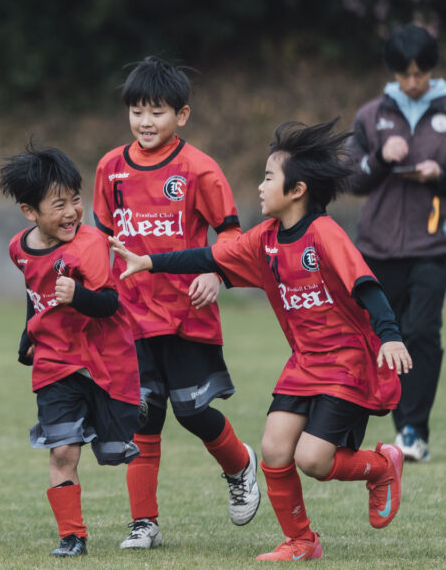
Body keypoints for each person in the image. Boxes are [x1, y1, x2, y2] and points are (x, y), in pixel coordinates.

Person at [110, 118, 411, 561]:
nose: (260, 186)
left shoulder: (324, 233)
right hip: (304, 362)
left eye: (269, 177)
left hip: (347, 362)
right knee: (272, 448)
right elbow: (207, 255)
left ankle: (382, 466)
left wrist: (390, 336)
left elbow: (365, 285)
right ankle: (303, 542)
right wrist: (150, 262)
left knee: (314, 461)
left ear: (298, 190)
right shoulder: (264, 241)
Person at [93, 56, 260, 550]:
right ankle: (143, 523)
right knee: (141, 416)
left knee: (192, 412)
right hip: (130, 315)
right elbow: (100, 238)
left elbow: (232, 235)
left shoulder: (199, 169)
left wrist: (216, 272)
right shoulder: (110, 168)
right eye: (138, 111)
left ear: (181, 116)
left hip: (186, 311)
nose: (146, 122)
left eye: (158, 112)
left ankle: (240, 464)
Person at [0, 144, 142, 557]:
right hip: (54, 364)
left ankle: (134, 406)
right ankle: (72, 537)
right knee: (62, 450)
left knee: (115, 452)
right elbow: (34, 293)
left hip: (102, 360)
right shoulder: (19, 249)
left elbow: (111, 304)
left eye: (75, 200)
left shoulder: (91, 245)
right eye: (58, 204)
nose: (71, 212)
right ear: (30, 212)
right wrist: (28, 334)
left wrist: (78, 295)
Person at [347, 24, 446, 463]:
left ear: (431, 70)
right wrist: (382, 158)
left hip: (436, 243)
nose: (413, 82)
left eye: (420, 74)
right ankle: (382, 428)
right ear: (393, 72)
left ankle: (414, 431)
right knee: (383, 334)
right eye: (405, 75)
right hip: (378, 245)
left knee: (421, 331)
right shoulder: (370, 115)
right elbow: (350, 176)